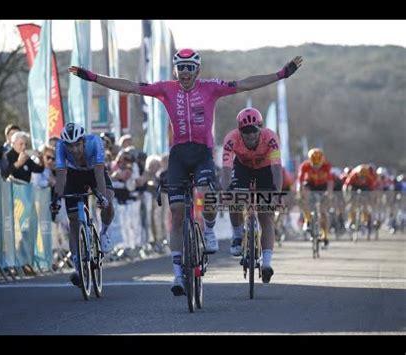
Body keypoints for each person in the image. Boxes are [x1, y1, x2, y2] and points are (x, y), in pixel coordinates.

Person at [69, 48, 303, 295]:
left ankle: (209, 229)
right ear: (175, 70)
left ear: (198, 69)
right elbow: (129, 86)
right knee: (177, 212)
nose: (185, 73)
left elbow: (246, 84)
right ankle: (178, 275)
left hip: (202, 153)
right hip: (179, 154)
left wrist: (280, 74)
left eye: (190, 67)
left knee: (204, 193)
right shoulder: (166, 89)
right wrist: (93, 77)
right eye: (181, 68)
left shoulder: (211, 87)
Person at [221, 107, 282, 283]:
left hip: (265, 169)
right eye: (245, 131)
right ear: (239, 131)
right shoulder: (231, 139)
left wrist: (276, 194)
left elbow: (277, 167)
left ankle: (267, 263)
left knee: (266, 215)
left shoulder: (270, 137)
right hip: (242, 168)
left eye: (253, 131)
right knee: (234, 200)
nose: (250, 135)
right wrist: (226, 191)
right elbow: (225, 168)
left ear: (260, 128)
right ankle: (238, 235)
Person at [50, 123, 115, 287]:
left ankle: (105, 232)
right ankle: (79, 268)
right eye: (70, 146)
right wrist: (57, 198)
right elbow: (61, 176)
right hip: (74, 176)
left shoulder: (95, 142)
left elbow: (100, 173)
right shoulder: (60, 147)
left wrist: (102, 198)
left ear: (83, 141)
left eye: (77, 145)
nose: (74, 150)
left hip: (94, 173)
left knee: (108, 203)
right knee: (74, 221)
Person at [297, 148, 334, 248]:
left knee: (323, 212)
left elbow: (330, 182)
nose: (316, 167)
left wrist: (329, 194)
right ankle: (307, 219)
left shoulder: (327, 166)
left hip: (322, 185)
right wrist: (300, 194)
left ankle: (325, 236)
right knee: (303, 196)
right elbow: (300, 181)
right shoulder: (304, 166)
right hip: (310, 184)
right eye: (314, 164)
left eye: (318, 164)